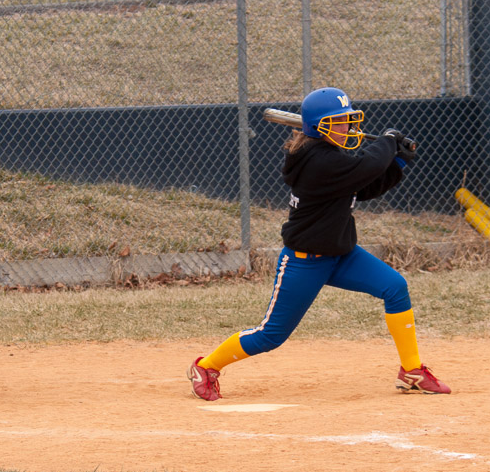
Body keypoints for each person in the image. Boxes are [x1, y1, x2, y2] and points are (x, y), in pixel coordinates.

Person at [188, 87, 451, 400]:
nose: (347, 127)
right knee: (271, 335)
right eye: (337, 122)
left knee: (395, 287)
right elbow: (366, 166)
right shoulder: (317, 161)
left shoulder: (333, 156)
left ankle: (411, 371)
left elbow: (363, 187)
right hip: (305, 261)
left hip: (341, 255)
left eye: (347, 120)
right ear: (318, 127)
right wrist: (388, 141)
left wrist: (398, 164)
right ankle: (206, 366)